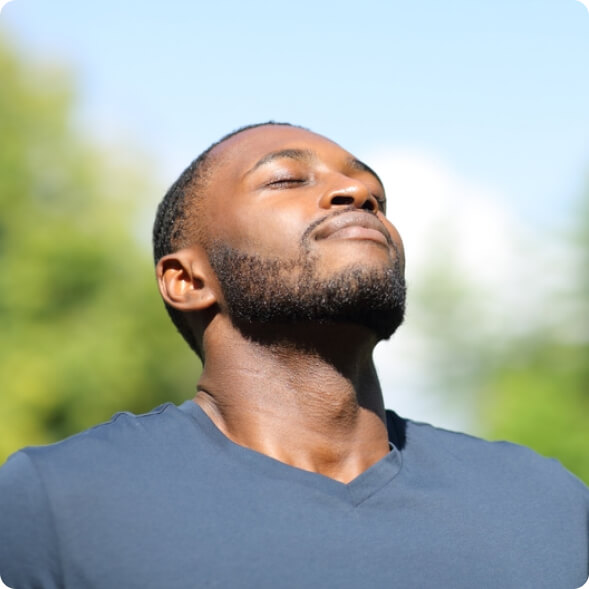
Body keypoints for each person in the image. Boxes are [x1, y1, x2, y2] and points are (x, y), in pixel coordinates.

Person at [0, 122, 587, 589]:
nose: (358, 195)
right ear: (187, 280)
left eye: (375, 196)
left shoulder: (546, 505)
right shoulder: (57, 503)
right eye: (286, 180)